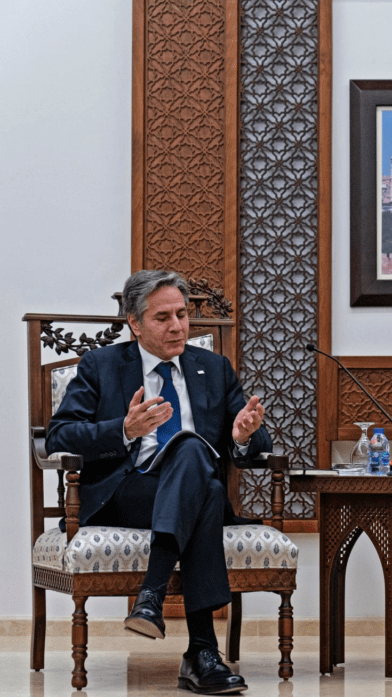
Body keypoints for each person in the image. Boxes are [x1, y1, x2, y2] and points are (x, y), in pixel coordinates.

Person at [47, 270, 271, 696]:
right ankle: (202, 652)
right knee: (204, 482)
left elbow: (256, 439)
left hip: (192, 493)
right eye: (163, 317)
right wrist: (124, 429)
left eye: (182, 315)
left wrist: (242, 435)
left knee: (195, 462)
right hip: (127, 493)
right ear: (134, 322)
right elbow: (60, 435)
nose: (178, 326)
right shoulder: (101, 366)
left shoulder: (213, 368)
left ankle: (152, 599)